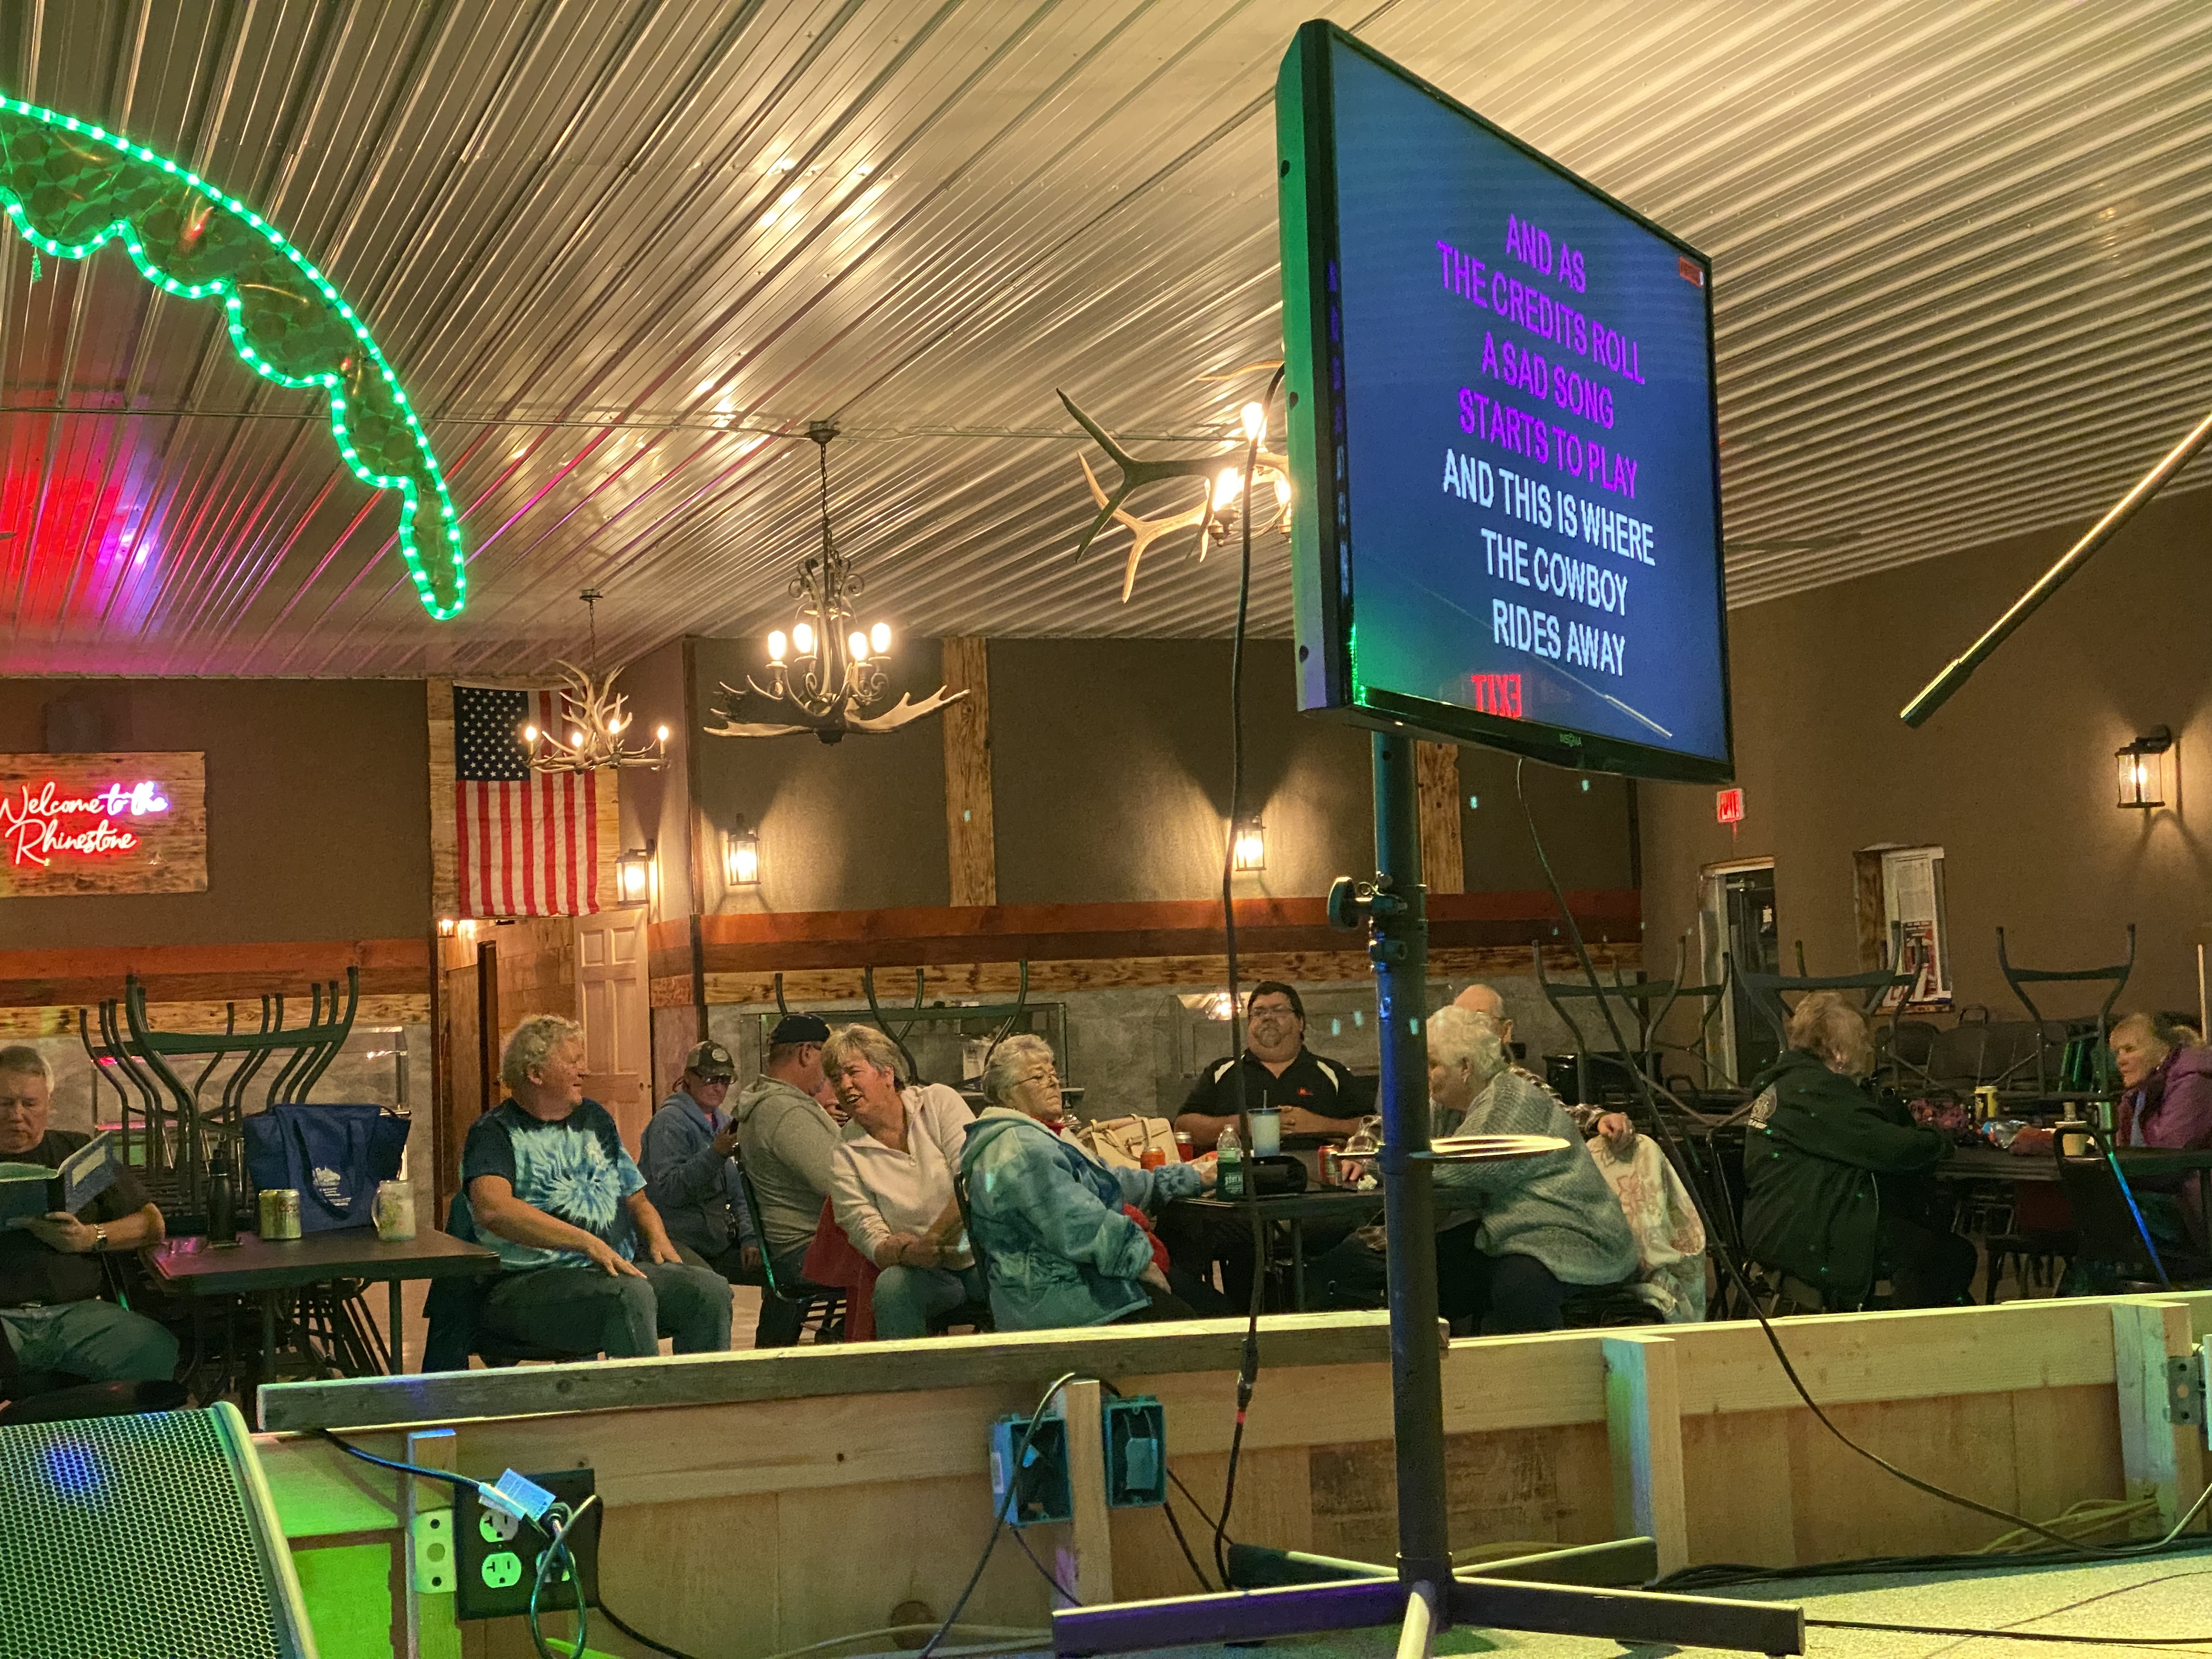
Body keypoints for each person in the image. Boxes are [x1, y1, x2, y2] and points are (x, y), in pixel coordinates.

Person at [463, 1015, 732, 1358]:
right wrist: (585, 1242)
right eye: (573, 1061)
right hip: (528, 1282)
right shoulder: (494, 1132)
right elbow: (493, 1208)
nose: (584, 1070)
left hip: (610, 1268)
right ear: (535, 1074)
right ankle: (634, 1409)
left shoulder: (595, 1118)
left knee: (709, 1290)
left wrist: (658, 1239)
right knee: (630, 1294)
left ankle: (699, 1406)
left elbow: (636, 1198)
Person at [964, 1034, 1220, 1330]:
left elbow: (1112, 1181)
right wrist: (1140, 1262)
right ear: (1007, 1094)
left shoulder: (1047, 1134)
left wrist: (1193, 1177)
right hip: (1057, 1295)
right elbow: (1077, 1223)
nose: (1053, 1082)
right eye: (1037, 1077)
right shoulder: (1019, 1148)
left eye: (1053, 1073)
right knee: (1201, 1327)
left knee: (1216, 1311)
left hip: (1088, 1274)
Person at [1741, 991, 1973, 1310]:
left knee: (1942, 1252)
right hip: (1814, 1231)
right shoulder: (1818, 1089)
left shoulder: (1786, 1085)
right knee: (1936, 1255)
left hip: (1785, 1225)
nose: (1869, 1050)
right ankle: (1908, 1341)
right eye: (1863, 1041)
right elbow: (1889, 1149)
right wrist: (1939, 1139)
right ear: (1838, 1049)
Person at [0, 1046, 177, 1385]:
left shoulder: (79, 1152)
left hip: (78, 1313)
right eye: (5, 1104)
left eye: (29, 1103)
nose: (16, 1115)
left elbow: (152, 1223)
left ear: (48, 1103)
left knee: (152, 1349)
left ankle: (121, 1437)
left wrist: (87, 1237)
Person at [823, 1025, 984, 1339]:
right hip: (927, 1273)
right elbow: (866, 1231)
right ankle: (906, 1384)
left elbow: (973, 1176)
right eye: (835, 1078)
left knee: (1027, 1267)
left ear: (887, 1073)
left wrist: (935, 1237)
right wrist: (903, 1253)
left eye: (853, 1072)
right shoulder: (844, 1153)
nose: (844, 1086)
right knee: (893, 1284)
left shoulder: (938, 1102)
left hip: (984, 1256)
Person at [732, 1013, 843, 1346]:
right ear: (807, 1053)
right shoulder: (786, 1112)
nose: (833, 1071)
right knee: (903, 1258)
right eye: (829, 1057)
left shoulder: (766, 1102)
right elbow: (840, 1182)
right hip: (806, 1250)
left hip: (790, 1247)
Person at [1175, 982, 1373, 1148]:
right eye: (1258, 1013)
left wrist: (1318, 1125)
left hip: (1318, 1182)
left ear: (1301, 1022)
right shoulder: (1221, 1072)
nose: (1268, 1017)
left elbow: (1374, 1128)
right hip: (1239, 1184)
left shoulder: (1332, 1073)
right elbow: (1183, 1128)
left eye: (1278, 1011)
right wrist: (1245, 1125)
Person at [1453, 983, 1634, 1157]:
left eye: (1480, 1018)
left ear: (1506, 1031)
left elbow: (1560, 1116)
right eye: (1457, 1020)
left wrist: (1600, 1119)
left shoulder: (1517, 1081)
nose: (1468, 1029)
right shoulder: (1440, 1081)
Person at [639, 1040, 760, 1285]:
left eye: (725, 1081)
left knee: (776, 1269)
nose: (718, 1087)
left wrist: (750, 1238)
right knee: (710, 1289)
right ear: (688, 1078)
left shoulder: (723, 1122)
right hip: (675, 1237)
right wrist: (715, 1154)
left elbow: (739, 1191)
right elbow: (668, 1192)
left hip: (716, 1239)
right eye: (710, 1079)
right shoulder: (668, 1123)